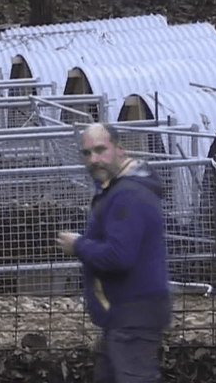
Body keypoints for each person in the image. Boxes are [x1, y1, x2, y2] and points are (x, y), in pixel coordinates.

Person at [56, 123, 171, 383]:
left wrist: (78, 245)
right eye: (86, 153)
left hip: (134, 314)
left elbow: (119, 256)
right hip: (122, 314)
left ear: (120, 149)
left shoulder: (128, 195)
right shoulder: (116, 188)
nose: (93, 160)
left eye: (100, 150)